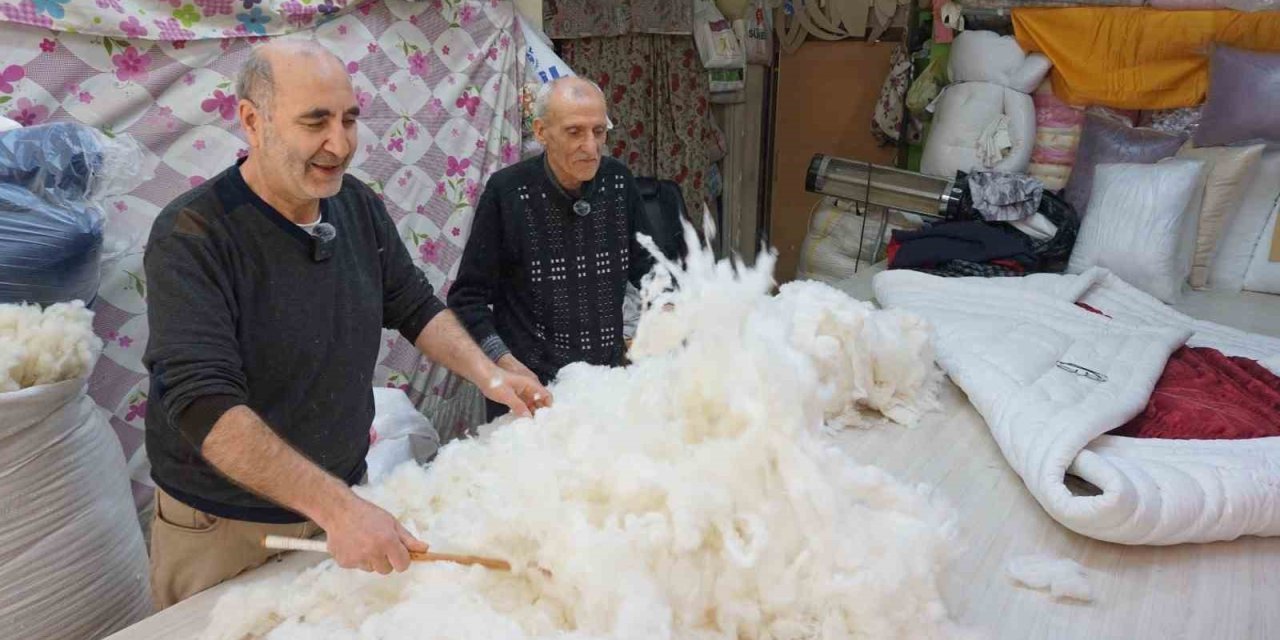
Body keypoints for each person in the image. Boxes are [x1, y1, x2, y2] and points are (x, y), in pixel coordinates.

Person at [141, 41, 551, 610]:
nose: (340, 145)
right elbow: (203, 405)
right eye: (316, 122)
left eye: (349, 119)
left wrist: (491, 375)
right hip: (229, 530)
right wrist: (339, 509)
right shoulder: (193, 235)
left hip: (340, 504)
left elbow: (413, 305)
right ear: (253, 122)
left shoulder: (355, 205)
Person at [448, 77, 655, 422]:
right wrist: (504, 363)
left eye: (599, 132)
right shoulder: (507, 193)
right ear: (542, 132)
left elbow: (651, 269)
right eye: (575, 132)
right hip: (528, 391)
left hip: (603, 384)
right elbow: (467, 299)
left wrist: (660, 317)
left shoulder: (618, 182)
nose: (591, 147)